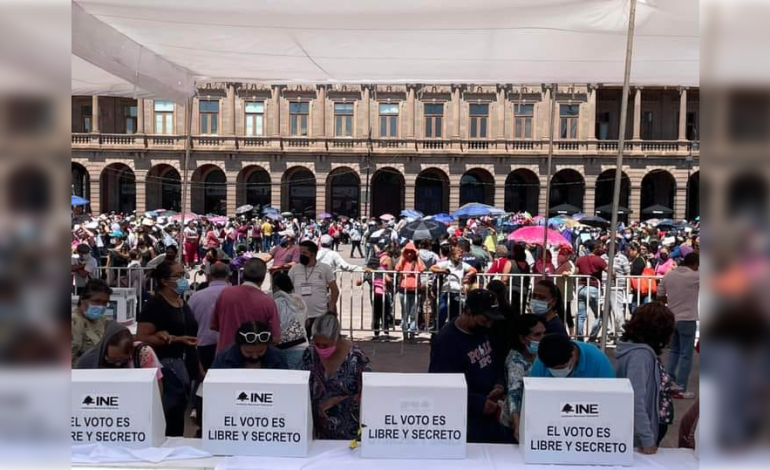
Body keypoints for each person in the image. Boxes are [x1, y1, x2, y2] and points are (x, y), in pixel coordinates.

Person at [429, 289, 509, 443]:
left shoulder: (483, 330)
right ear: (468, 311)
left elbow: (496, 360)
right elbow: (442, 386)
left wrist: (499, 383)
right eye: (484, 320)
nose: (489, 324)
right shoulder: (446, 341)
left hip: (490, 411)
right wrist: (478, 403)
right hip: (466, 418)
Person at [135, 261, 199, 437]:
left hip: (186, 364)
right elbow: (141, 337)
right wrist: (172, 339)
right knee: (169, 415)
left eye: (183, 274)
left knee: (179, 413)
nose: (183, 279)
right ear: (164, 281)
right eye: (178, 276)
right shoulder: (154, 305)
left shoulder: (181, 302)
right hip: (166, 368)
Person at [615, 302, 676, 454]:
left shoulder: (641, 353)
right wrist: (647, 438)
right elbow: (635, 399)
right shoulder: (641, 356)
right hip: (643, 432)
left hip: (648, 426)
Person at [303, 314, 370, 440]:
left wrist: (338, 400)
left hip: (350, 432)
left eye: (326, 345)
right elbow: (303, 387)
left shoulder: (356, 358)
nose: (321, 349)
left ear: (337, 338)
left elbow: (369, 394)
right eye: (317, 344)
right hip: (318, 432)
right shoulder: (310, 354)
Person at [211, 258, 281, 352]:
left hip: (225, 356)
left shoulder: (225, 293)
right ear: (263, 278)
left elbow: (213, 325)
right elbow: (275, 338)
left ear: (243, 274)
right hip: (253, 359)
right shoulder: (268, 301)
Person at [657, 252, 699, 399]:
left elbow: (659, 295)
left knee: (673, 352)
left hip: (671, 316)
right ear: (695, 264)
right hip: (688, 318)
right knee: (686, 355)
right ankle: (681, 387)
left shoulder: (669, 275)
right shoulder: (696, 276)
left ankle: (668, 384)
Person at [501, 315, 546, 442]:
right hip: (515, 425)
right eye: (537, 335)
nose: (542, 338)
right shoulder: (515, 361)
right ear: (522, 339)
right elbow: (514, 394)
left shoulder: (539, 355)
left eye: (544, 333)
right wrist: (517, 426)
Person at [77, 321, 163, 380]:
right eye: (112, 360)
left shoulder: (143, 354)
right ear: (103, 349)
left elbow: (156, 387)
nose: (117, 364)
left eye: (123, 360)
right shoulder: (87, 361)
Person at [288, 241, 339, 337]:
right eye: (300, 253)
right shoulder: (294, 269)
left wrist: (331, 307)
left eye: (304, 253)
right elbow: (287, 290)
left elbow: (335, 290)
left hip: (320, 315)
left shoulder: (325, 268)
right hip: (300, 315)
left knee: (320, 343)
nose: (301, 255)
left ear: (313, 254)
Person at [188, 262, 229, 371]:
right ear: (228, 275)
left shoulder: (196, 297)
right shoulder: (238, 296)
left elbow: (188, 321)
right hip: (230, 345)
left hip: (203, 344)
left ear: (209, 275)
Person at [431, 245, 477, 330]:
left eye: (461, 256)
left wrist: (467, 275)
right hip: (446, 291)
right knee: (442, 313)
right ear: (452, 255)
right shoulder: (446, 264)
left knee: (455, 316)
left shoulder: (463, 265)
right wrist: (443, 271)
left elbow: (474, 270)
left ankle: (452, 334)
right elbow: (432, 268)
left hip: (457, 292)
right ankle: (436, 334)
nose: (460, 258)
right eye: (459, 256)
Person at [530, 333, 616, 378]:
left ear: (573, 354)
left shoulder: (598, 360)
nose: (558, 373)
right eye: (553, 369)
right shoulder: (542, 359)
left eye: (562, 367)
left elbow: (610, 395)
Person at [211, 321, 287, 369]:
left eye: (261, 351)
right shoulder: (223, 358)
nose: (255, 356)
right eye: (249, 352)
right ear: (239, 345)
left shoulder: (278, 357)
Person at [271, 273, 309, 369]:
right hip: (303, 346)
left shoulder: (277, 301)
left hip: (285, 348)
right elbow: (307, 322)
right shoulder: (300, 299)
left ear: (275, 286)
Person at [71, 279, 112, 367]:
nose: (101, 306)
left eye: (105, 303)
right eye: (96, 301)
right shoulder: (74, 322)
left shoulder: (102, 320)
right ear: (82, 300)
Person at [575, 241, 607, 342]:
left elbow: (575, 273)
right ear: (595, 248)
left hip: (580, 288)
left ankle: (579, 339)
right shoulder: (599, 260)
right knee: (600, 316)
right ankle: (591, 338)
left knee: (580, 316)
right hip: (593, 288)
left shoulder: (580, 259)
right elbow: (611, 272)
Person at [394, 241, 426, 342]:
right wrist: (402, 256)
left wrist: (418, 256)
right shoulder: (403, 261)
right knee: (405, 314)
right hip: (404, 291)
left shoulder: (417, 262)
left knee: (413, 315)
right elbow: (397, 268)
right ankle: (405, 335)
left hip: (415, 291)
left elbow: (422, 269)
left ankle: (412, 334)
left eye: (411, 252)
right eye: (407, 252)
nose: (409, 254)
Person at [554, 246, 576, 334]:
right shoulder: (561, 264)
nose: (560, 256)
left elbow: (572, 271)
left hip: (565, 293)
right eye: (560, 253)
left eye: (563, 254)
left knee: (567, 314)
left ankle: (571, 333)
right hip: (560, 293)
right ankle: (564, 332)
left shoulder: (569, 263)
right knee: (561, 314)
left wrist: (567, 273)